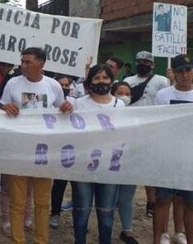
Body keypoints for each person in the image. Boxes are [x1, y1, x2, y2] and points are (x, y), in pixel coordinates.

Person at [0, 47, 73, 244]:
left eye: (28, 62)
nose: (23, 65)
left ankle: (42, 240)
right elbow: (0, 108)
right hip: (19, 151)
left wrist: (66, 108)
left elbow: (62, 110)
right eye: (22, 61)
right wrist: (5, 107)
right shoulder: (12, 84)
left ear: (41, 64)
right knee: (18, 202)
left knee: (42, 202)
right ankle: (18, 240)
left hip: (44, 152)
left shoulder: (54, 85)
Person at [71, 64, 124, 244]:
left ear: (111, 80)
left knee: (106, 214)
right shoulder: (78, 103)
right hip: (83, 166)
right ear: (90, 81)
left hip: (110, 167)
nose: (101, 81)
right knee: (81, 212)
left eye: (105, 78)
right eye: (97, 78)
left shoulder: (120, 105)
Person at [123, 51, 169, 218]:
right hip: (130, 130)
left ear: (152, 64)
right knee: (129, 166)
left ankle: (151, 202)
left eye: (145, 62)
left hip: (152, 130)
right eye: (139, 61)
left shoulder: (162, 81)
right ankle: (123, 201)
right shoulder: (127, 81)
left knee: (149, 168)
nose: (142, 64)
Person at [153, 54, 193, 244]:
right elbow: (157, 124)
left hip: (190, 157)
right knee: (162, 200)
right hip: (166, 155)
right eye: (180, 71)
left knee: (190, 203)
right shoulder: (163, 95)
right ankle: (159, 237)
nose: (185, 74)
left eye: (188, 70)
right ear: (173, 73)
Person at [111, 82, 139, 244]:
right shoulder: (106, 115)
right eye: (120, 93)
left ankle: (127, 231)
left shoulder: (135, 116)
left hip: (129, 162)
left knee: (126, 198)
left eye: (127, 93)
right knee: (109, 198)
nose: (124, 96)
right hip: (111, 162)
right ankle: (105, 228)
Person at [49, 74, 75, 229]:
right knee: (58, 185)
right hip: (59, 148)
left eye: (66, 84)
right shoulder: (50, 102)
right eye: (61, 84)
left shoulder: (75, 102)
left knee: (77, 186)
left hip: (76, 148)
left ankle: (77, 216)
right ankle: (55, 213)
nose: (64, 87)